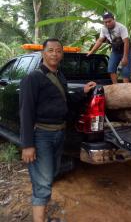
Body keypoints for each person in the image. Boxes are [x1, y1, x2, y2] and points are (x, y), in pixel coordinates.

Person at [19, 38, 96, 222]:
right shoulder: (33, 78)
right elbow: (26, 112)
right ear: (43, 53)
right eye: (50, 50)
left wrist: (83, 91)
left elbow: (64, 101)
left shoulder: (60, 76)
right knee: (43, 182)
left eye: (58, 51)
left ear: (62, 54)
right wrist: (27, 145)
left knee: (51, 174)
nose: (54, 54)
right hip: (42, 136)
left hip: (59, 133)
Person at [87, 12, 131, 84]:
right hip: (115, 50)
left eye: (109, 21)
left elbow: (126, 42)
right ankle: (116, 86)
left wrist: (125, 57)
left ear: (114, 20)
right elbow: (99, 41)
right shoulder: (104, 29)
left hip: (125, 49)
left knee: (125, 71)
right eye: (105, 22)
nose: (108, 23)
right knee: (111, 68)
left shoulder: (121, 27)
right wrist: (91, 51)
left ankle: (125, 87)